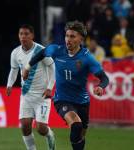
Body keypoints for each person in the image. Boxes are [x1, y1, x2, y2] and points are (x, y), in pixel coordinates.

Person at [22, 21, 109, 150]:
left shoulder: (87, 58)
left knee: (80, 135)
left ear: (81, 39)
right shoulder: (57, 50)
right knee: (76, 125)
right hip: (62, 99)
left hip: (82, 102)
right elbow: (41, 54)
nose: (68, 39)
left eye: (72, 36)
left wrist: (101, 86)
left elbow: (104, 77)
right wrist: (28, 67)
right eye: (67, 36)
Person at [6, 24, 56, 150]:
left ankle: (50, 135)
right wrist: (9, 84)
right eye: (21, 34)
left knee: (41, 128)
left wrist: (50, 87)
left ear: (32, 35)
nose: (23, 36)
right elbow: (14, 70)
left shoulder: (41, 50)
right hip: (26, 95)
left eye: (26, 34)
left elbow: (52, 67)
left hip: (42, 96)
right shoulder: (16, 53)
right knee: (25, 125)